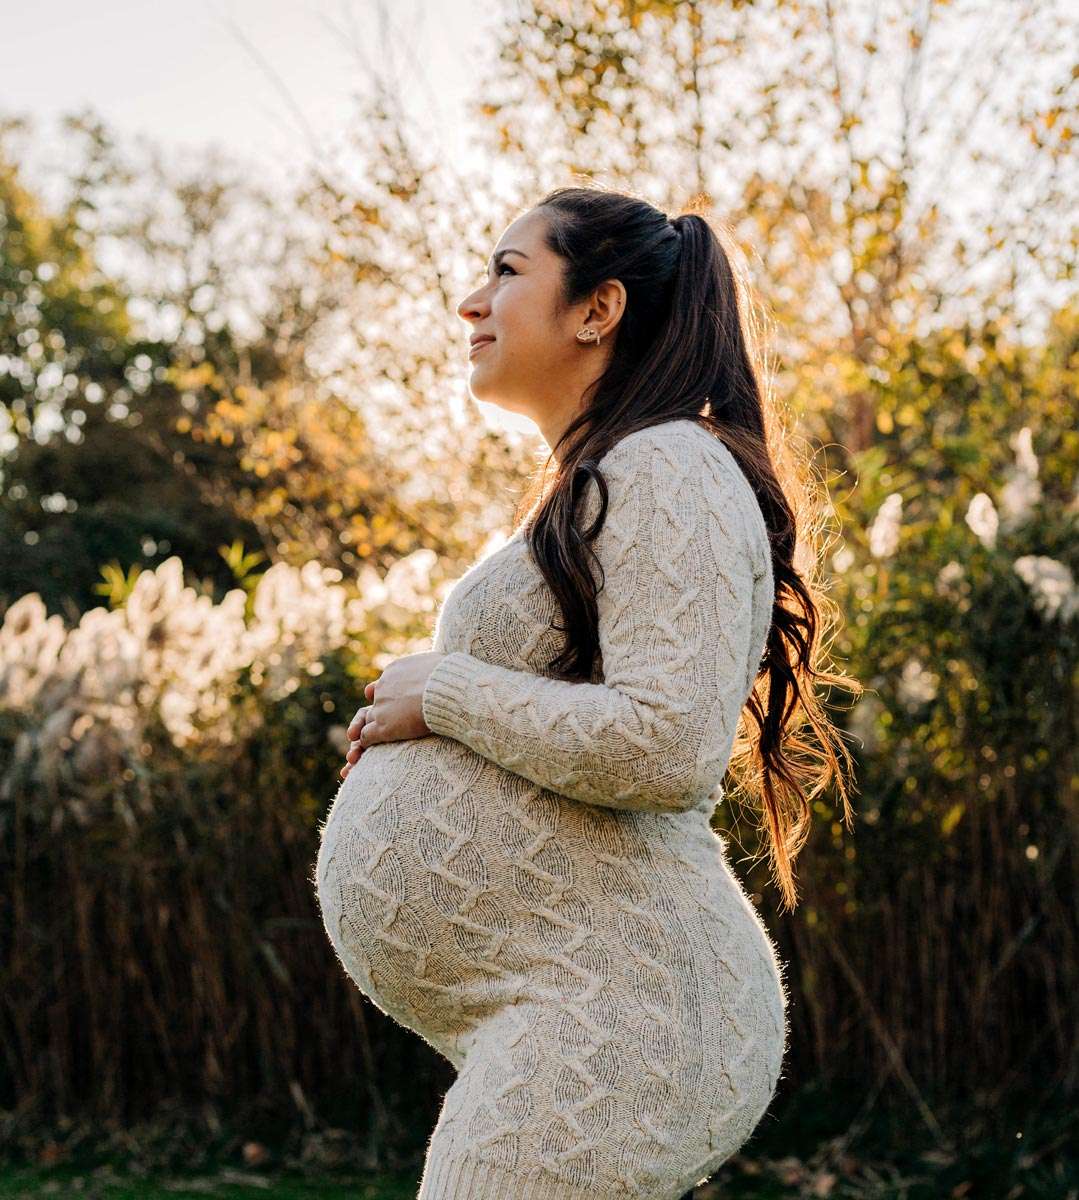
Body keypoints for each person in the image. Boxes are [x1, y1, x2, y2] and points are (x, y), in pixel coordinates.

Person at [314, 185, 858, 1199]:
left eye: (506, 272)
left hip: (623, 1005)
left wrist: (443, 693)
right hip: (566, 1001)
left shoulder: (668, 465)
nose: (471, 303)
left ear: (595, 309)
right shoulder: (614, 474)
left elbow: (662, 744)